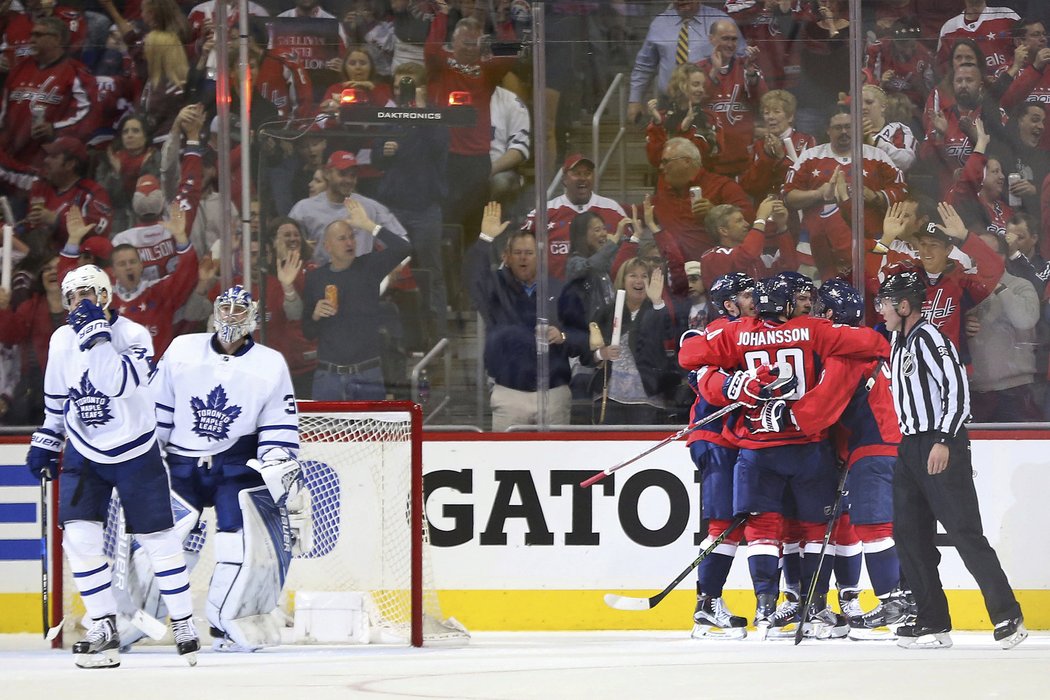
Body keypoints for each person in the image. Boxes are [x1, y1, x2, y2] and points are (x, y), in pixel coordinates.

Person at [681, 275, 889, 637]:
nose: (807, 303)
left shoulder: (736, 333)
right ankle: (807, 603)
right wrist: (730, 385)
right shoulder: (809, 330)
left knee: (765, 528)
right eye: (801, 298)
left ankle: (770, 606)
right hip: (791, 443)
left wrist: (730, 384)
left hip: (753, 445)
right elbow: (875, 342)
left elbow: (690, 357)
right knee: (804, 527)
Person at [25, 264, 199, 668]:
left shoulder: (134, 335)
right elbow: (56, 397)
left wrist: (96, 335)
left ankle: (184, 621)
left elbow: (116, 384)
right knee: (79, 539)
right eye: (72, 297)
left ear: (105, 296)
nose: (78, 303)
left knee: (159, 540)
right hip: (85, 451)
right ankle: (104, 623)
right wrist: (48, 440)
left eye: (87, 294)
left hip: (136, 450)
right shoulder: (61, 339)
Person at [875, 268, 1027, 650]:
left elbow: (957, 390)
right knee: (908, 535)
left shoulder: (930, 339)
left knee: (963, 532)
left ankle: (1008, 615)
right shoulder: (898, 340)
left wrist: (944, 439)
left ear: (905, 305)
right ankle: (932, 622)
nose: (881, 309)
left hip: (941, 444)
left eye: (886, 303)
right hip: (910, 447)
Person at [151, 284, 303, 652]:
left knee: (239, 546)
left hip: (236, 467)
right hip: (181, 464)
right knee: (161, 541)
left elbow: (277, 421)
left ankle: (224, 622)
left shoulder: (270, 362)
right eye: (225, 306)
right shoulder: (182, 349)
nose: (231, 314)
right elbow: (159, 408)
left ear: (252, 316)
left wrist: (277, 459)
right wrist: (147, 453)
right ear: (214, 311)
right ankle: (139, 615)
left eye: (239, 309)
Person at [784, 279, 909, 640]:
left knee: (873, 528)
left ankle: (890, 607)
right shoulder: (869, 345)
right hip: (896, 444)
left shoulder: (846, 354)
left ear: (828, 315)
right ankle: (904, 600)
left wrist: (781, 414)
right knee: (892, 528)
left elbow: (820, 409)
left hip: (874, 447)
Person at [679, 271, 755, 639]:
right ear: (728, 304)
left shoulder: (756, 331)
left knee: (735, 523)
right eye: (746, 294)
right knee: (723, 522)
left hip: (734, 438)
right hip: (714, 436)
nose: (754, 297)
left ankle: (708, 602)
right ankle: (706, 604)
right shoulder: (718, 331)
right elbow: (693, 361)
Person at [469, 201, 587, 430]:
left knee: (555, 461)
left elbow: (583, 338)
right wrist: (485, 239)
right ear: (507, 257)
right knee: (506, 463)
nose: (524, 258)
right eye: (518, 253)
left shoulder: (560, 289)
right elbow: (474, 277)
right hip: (509, 394)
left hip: (553, 395)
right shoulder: (496, 289)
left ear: (540, 257)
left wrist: (562, 335)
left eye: (529, 253)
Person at [302, 199, 412, 401]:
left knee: (369, 433)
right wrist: (315, 315)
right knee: (327, 433)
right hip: (328, 375)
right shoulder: (315, 278)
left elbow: (403, 248)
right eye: (342, 239)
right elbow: (307, 331)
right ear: (327, 246)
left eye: (352, 237)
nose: (350, 242)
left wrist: (368, 225)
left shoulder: (369, 267)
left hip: (367, 373)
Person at [0, 16, 96, 168]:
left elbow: (88, 116)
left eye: (38, 35)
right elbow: (3, 112)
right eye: (31, 34)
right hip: (8, 159)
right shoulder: (18, 69)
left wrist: (55, 129)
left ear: (57, 39)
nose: (31, 39)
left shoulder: (77, 73)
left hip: (47, 164)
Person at [627, 0, 739, 125]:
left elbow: (740, 60)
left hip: (710, 102)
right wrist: (635, 100)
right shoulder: (659, 24)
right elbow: (644, 66)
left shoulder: (722, 22)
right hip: (668, 104)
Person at [289, 150, 408, 266]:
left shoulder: (371, 207)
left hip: (360, 279)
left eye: (353, 175)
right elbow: (286, 246)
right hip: (321, 278)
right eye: (342, 174)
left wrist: (392, 269)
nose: (349, 180)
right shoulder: (304, 209)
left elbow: (402, 243)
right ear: (327, 173)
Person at [522, 154, 627, 283]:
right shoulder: (544, 213)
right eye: (576, 173)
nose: (582, 178)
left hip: (605, 295)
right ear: (564, 179)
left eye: (587, 173)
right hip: (556, 296)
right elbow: (521, 250)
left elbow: (629, 256)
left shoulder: (613, 210)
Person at [652, 136, 754, 262]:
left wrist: (715, 213)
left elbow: (748, 218)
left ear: (686, 161)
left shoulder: (722, 186)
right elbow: (637, 212)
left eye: (666, 161)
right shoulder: (664, 195)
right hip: (675, 271)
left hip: (715, 267)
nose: (661, 167)